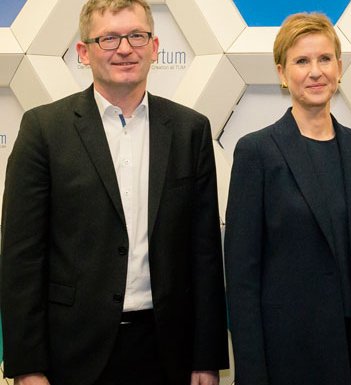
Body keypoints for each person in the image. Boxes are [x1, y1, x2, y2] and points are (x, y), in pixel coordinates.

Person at [0, 0, 229, 384]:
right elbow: (21, 259)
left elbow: (203, 254)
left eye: (137, 36)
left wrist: (206, 358)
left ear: (154, 48)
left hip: (166, 351)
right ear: (83, 52)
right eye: (108, 38)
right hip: (71, 354)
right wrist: (27, 367)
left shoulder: (191, 130)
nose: (125, 48)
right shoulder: (44, 130)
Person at [223, 12, 351, 385]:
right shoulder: (256, 152)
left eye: (324, 59)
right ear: (281, 73)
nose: (315, 71)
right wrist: (252, 374)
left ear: (340, 67)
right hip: (289, 358)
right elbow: (242, 278)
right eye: (301, 61)